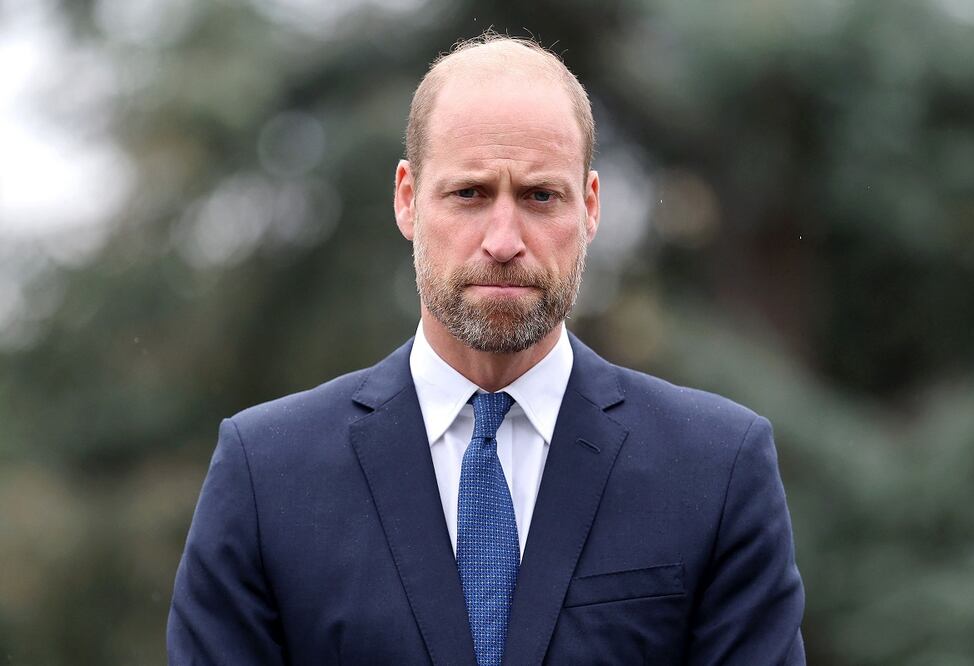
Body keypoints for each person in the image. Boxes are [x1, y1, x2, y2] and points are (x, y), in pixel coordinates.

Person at [167, 33, 805, 665]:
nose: (503, 240)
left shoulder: (715, 470)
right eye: (469, 194)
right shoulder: (267, 475)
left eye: (539, 196)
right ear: (407, 199)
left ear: (590, 207)